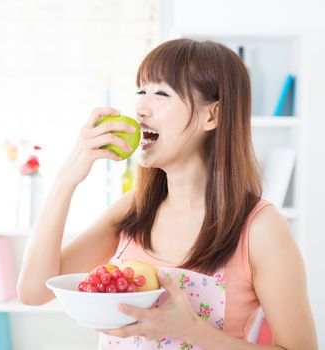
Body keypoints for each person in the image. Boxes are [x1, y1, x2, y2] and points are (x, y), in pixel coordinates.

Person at [17, 38, 318, 350]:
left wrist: (194, 331)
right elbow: (34, 292)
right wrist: (67, 179)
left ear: (212, 116)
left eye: (161, 93)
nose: (141, 107)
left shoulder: (260, 228)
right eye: (141, 91)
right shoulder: (134, 210)